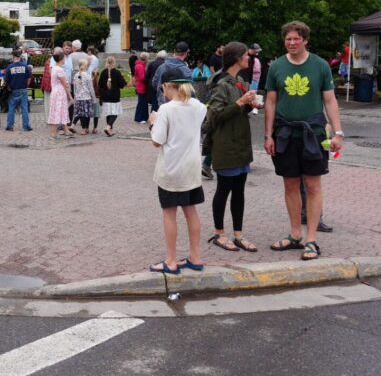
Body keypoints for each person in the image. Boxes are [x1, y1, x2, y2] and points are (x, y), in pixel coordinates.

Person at [264, 21, 343, 260]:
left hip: (314, 134)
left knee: (313, 185)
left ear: (305, 40)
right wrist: (268, 135)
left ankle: (311, 239)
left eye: (296, 39)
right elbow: (270, 102)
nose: (292, 43)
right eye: (288, 39)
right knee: (289, 185)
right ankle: (295, 234)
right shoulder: (276, 66)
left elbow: (329, 100)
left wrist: (338, 133)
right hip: (285, 134)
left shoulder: (320, 66)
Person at [147, 63, 206, 275]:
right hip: (191, 166)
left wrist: (152, 122)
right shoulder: (199, 106)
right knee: (191, 211)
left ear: (166, 86)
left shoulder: (166, 109)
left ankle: (171, 260)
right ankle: (195, 256)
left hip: (171, 168)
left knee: (169, 213)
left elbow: (157, 141)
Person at [206, 42, 260, 253]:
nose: (249, 58)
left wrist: (248, 105)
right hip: (226, 144)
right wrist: (239, 104)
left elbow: (236, 113)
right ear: (237, 58)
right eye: (246, 56)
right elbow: (216, 116)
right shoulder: (222, 84)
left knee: (239, 191)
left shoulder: (239, 82)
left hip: (240, 143)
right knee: (223, 190)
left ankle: (238, 234)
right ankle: (220, 233)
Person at [47, 50, 77, 139]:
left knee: (62, 110)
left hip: (56, 92)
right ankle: (53, 134)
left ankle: (66, 130)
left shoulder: (54, 68)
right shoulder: (59, 70)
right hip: (59, 93)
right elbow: (65, 83)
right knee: (58, 111)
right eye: (63, 58)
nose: (65, 60)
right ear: (61, 59)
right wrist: (70, 95)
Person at [153, 41, 191, 107]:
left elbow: (154, 83)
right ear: (186, 53)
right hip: (179, 107)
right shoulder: (186, 70)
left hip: (162, 105)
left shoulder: (161, 67)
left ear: (174, 51)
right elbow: (189, 90)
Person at [3, 48, 33, 131]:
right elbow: (29, 77)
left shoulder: (10, 67)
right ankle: (26, 126)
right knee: (24, 108)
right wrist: (26, 85)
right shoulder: (25, 66)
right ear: (20, 56)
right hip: (23, 89)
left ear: (13, 56)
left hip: (13, 90)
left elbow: (5, 80)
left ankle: (10, 126)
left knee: (11, 108)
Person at [98, 55, 126, 136]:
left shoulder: (103, 72)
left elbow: (100, 84)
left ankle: (110, 129)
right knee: (115, 112)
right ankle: (108, 126)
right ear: (114, 63)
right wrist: (123, 79)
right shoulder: (117, 72)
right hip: (114, 95)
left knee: (108, 113)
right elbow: (122, 85)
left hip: (105, 95)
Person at [72, 58, 96, 135]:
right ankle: (86, 128)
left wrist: (75, 96)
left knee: (81, 114)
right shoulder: (87, 75)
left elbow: (75, 87)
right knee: (86, 114)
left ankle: (83, 129)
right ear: (85, 66)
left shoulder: (76, 75)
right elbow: (91, 88)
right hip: (86, 97)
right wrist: (94, 98)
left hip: (79, 97)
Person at [134, 51, 149, 123]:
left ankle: (139, 117)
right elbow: (142, 77)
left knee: (141, 102)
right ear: (145, 58)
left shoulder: (140, 65)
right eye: (148, 58)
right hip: (141, 87)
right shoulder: (140, 66)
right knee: (142, 102)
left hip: (140, 86)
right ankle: (141, 118)